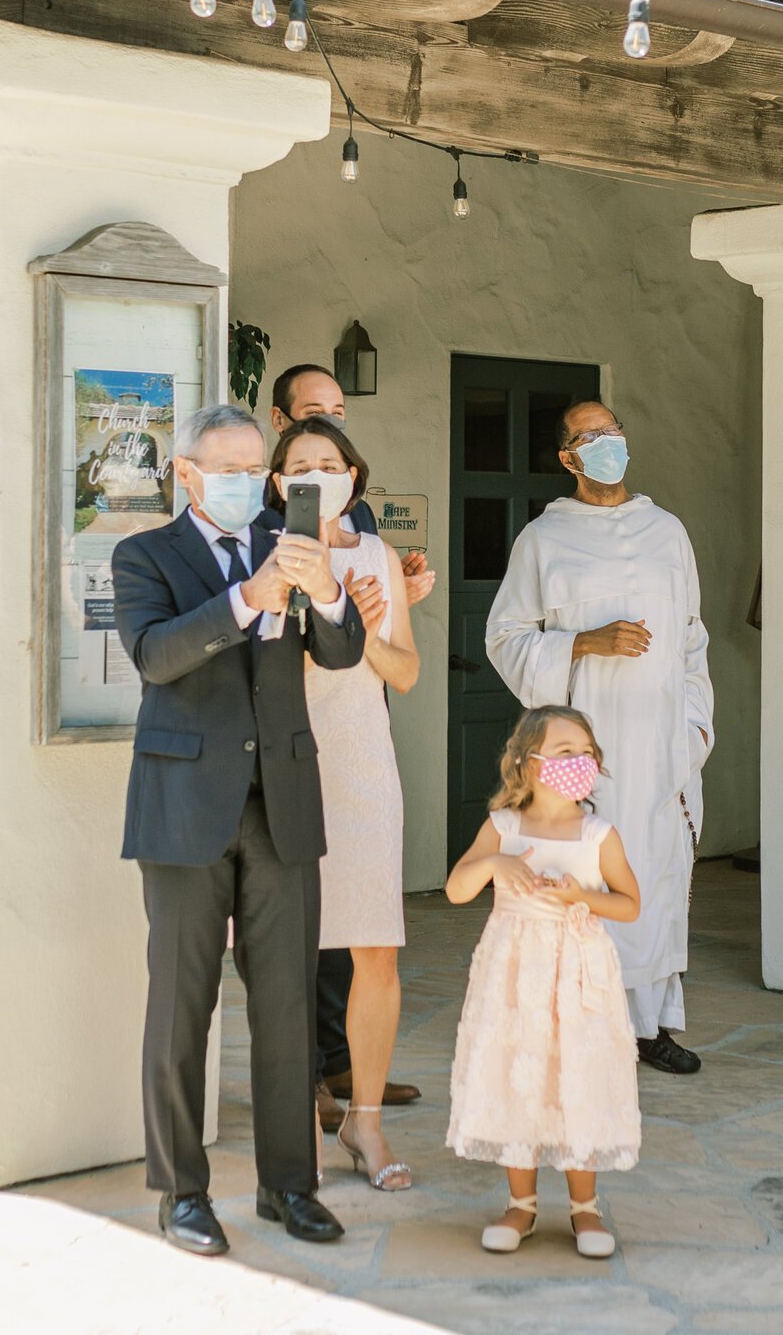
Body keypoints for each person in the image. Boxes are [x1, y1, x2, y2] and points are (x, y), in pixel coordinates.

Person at [112, 404, 365, 1258]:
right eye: (223, 467)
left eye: (254, 469)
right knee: (182, 1006)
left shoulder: (288, 545)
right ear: (186, 475)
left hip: (281, 803)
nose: (243, 482)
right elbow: (155, 655)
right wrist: (245, 598)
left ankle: (289, 1185)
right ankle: (183, 1191)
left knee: (290, 1000)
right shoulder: (143, 555)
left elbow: (339, 652)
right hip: (184, 806)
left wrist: (322, 587)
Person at [485, 400, 713, 1074]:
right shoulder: (542, 541)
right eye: (592, 436)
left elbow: (693, 640)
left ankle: (653, 1025)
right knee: (580, 876)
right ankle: (581, 1027)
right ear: (567, 457)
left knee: (657, 878)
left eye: (614, 431)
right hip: (582, 751)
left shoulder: (667, 531)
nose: (608, 442)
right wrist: (584, 642)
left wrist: (695, 724)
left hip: (662, 742)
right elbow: (505, 637)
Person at [266, 362, 432, 1124]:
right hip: (286, 761)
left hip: (364, 765)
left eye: (329, 465)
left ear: (353, 477)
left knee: (372, 946)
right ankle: (301, 1093)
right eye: (300, 466)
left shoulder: (379, 560)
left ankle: (362, 1109)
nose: (315, 475)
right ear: (277, 482)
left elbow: (405, 671)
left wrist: (360, 631)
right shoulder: (260, 555)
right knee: (288, 946)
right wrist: (325, 610)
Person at [443, 706, 643, 1258]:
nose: (579, 762)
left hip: (577, 976)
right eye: (563, 752)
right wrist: (495, 867)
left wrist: (582, 895)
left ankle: (585, 1208)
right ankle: (521, 1204)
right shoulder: (503, 828)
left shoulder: (598, 834)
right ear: (527, 764)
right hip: (515, 976)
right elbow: (457, 889)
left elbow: (629, 903)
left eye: (586, 752)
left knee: (575, 1076)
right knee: (520, 1076)